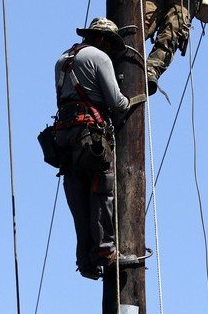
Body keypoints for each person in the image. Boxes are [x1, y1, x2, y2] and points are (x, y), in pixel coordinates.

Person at [49, 17, 142, 280]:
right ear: (102, 39)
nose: (110, 51)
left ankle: (85, 259)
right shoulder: (98, 57)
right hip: (90, 136)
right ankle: (104, 251)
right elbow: (117, 102)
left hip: (64, 138)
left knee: (78, 198)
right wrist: (132, 97)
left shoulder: (62, 59)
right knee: (102, 190)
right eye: (110, 45)